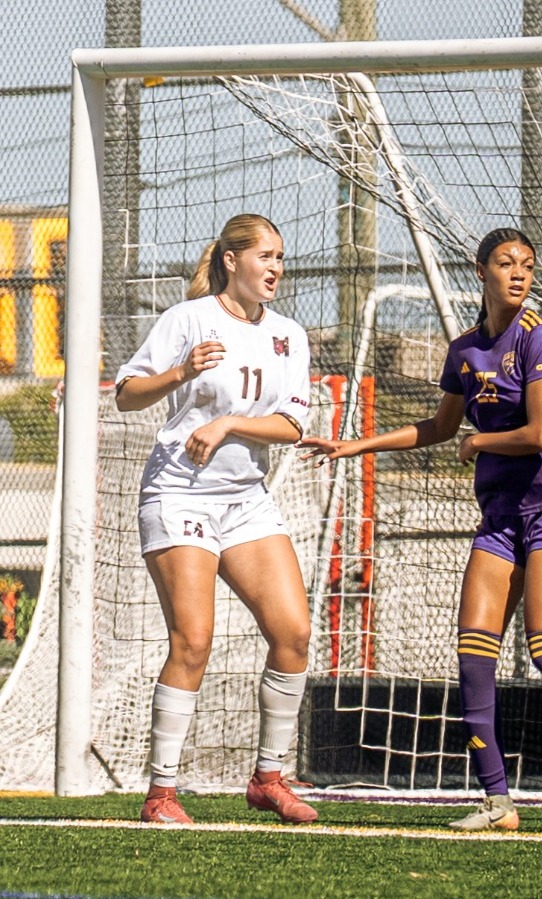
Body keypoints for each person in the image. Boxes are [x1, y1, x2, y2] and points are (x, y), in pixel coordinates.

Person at [299, 228, 542, 830]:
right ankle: (498, 802)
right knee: (474, 654)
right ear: (482, 272)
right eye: (506, 263)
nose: (519, 273)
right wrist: (356, 445)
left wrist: (480, 442)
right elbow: (438, 427)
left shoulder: (538, 335)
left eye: (527, 264)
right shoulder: (465, 350)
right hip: (501, 517)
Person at [115, 213, 317, 825]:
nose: (276, 267)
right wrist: (181, 372)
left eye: (280, 257)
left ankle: (268, 779)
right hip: (180, 493)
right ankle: (161, 794)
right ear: (232, 261)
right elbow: (126, 394)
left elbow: (292, 425)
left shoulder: (289, 335)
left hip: (245, 498)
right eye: (265, 256)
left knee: (294, 634)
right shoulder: (188, 319)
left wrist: (228, 423)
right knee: (194, 640)